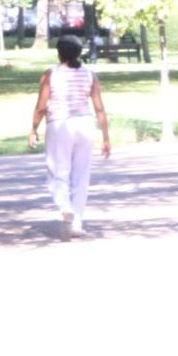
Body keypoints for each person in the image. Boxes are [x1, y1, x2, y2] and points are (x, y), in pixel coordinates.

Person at [28, 35, 111, 237]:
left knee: (58, 170)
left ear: (59, 53)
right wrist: (106, 137)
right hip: (85, 124)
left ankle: (65, 207)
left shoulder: (50, 75)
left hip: (59, 124)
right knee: (81, 175)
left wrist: (33, 129)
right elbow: (99, 107)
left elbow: (41, 107)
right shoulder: (90, 75)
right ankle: (77, 223)